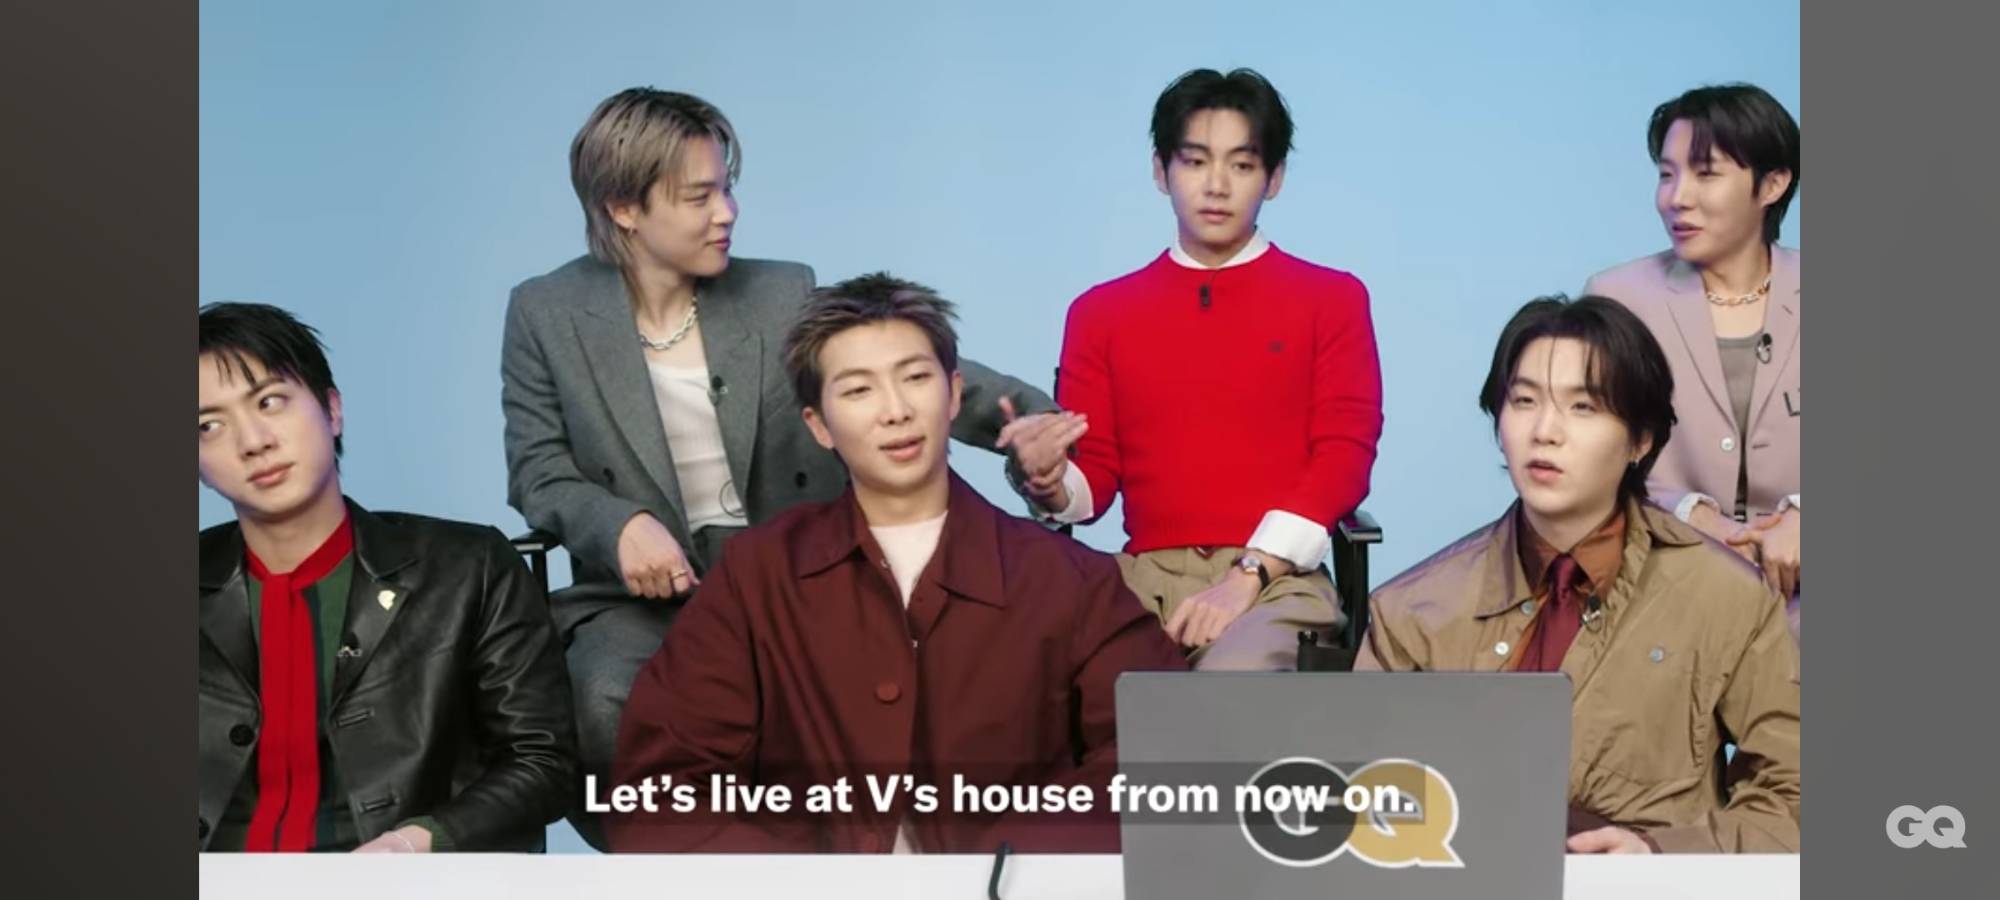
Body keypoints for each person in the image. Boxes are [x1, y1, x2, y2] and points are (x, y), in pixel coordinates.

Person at [500, 88, 1071, 849]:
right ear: (624, 208)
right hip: (639, 592)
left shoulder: (778, 292)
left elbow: (889, 365)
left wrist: (1024, 422)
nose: (727, 212)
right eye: (699, 197)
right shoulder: (545, 311)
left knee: (897, 693)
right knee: (608, 700)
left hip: (793, 573)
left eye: (727, 188)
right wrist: (619, 525)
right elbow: (537, 467)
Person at [604, 274, 1189, 854]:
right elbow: (658, 790)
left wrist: (999, 869)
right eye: (858, 390)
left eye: (914, 378)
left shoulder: (1069, 580)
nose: (895, 411)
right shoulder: (757, 577)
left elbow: (1168, 762)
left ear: (953, 395)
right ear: (819, 425)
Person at [1355, 294, 1800, 854]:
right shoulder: (1412, 609)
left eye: (1583, 407)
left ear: (1641, 439)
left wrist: (1658, 853)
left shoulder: (1725, 594)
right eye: (1523, 401)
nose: (1545, 430)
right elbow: (1362, 802)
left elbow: (1792, 796)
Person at [1011, 67, 1383, 671]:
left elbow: (1344, 457)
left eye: (1242, 164)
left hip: (1278, 582)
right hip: (1139, 578)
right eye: (1194, 161)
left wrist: (1249, 573)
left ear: (1274, 178)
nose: (1217, 185)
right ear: (1161, 172)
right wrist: (1049, 481)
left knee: (1228, 686)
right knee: (1069, 679)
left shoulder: (1332, 299)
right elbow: (1094, 480)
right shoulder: (1100, 313)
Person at [198, 302, 577, 853]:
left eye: (269, 401)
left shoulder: (470, 567)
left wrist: (418, 842)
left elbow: (542, 763)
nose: (252, 441)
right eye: (209, 425)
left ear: (332, 410)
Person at [1582, 83, 1801, 641]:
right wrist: (1692, 516)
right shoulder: (1618, 299)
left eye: (1705, 174)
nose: (1677, 197)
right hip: (1663, 588)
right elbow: (1590, 456)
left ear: (1772, 184)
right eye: (1666, 174)